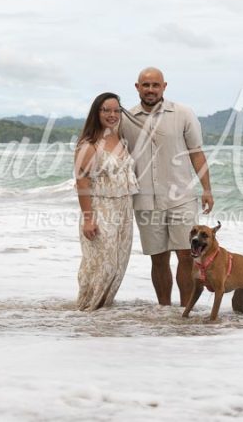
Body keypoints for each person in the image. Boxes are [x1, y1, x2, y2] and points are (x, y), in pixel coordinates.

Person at [120, 67, 214, 306]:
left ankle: (185, 310)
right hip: (144, 200)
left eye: (155, 85)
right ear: (137, 87)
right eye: (146, 85)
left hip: (181, 197)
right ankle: (164, 311)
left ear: (164, 87)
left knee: (186, 254)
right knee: (158, 259)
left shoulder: (183, 113)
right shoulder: (126, 119)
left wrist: (207, 189)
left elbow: (197, 153)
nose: (150, 89)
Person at [74, 92, 139, 311]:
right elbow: (82, 185)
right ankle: (86, 311)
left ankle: (102, 317)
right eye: (106, 110)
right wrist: (88, 220)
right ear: (97, 112)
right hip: (101, 210)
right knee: (102, 267)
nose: (112, 114)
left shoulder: (121, 138)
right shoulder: (89, 144)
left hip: (124, 210)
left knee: (119, 267)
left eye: (116, 110)